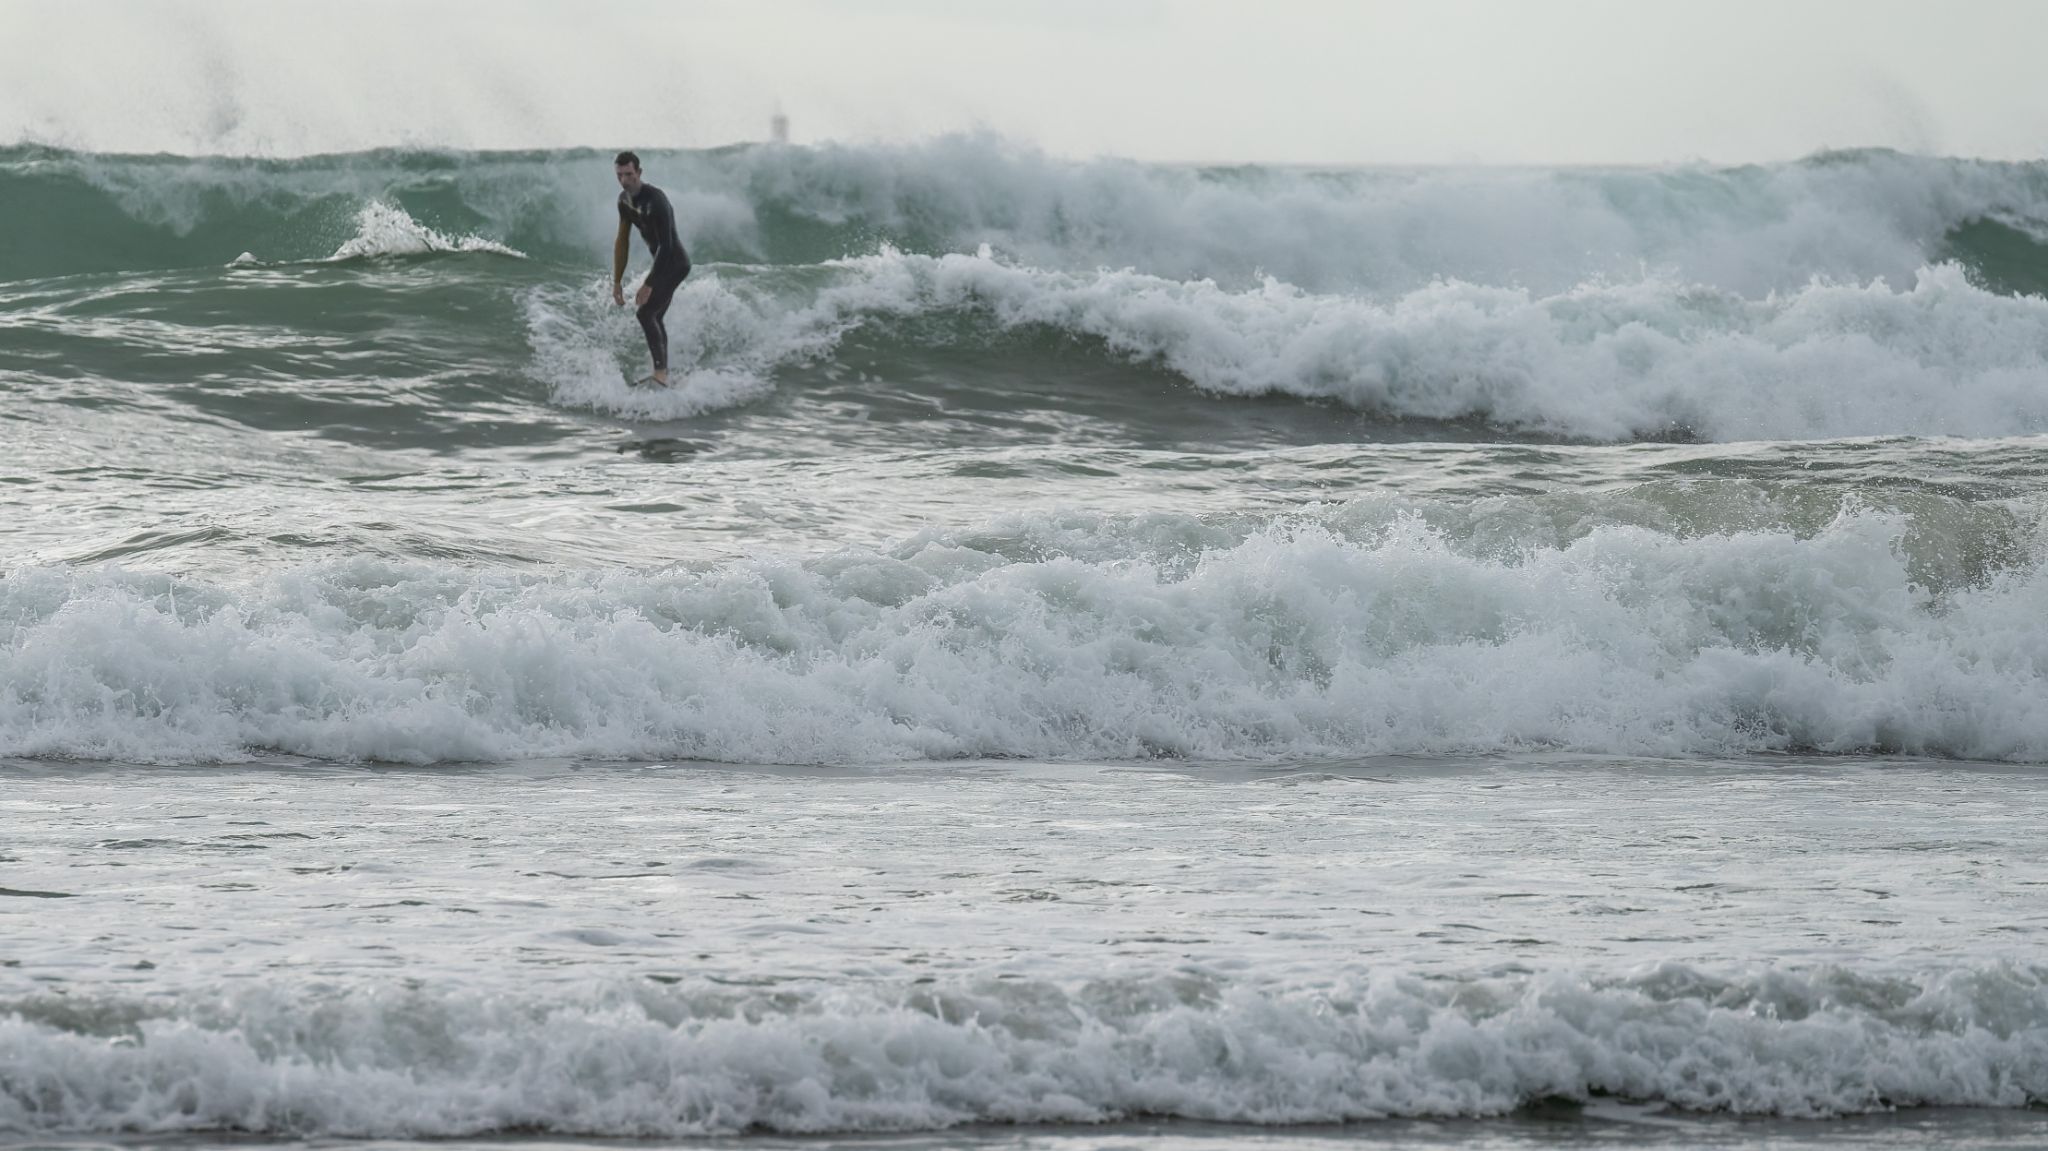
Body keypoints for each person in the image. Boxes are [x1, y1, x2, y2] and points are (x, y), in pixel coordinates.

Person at [610, 151, 691, 384]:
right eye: (620, 175)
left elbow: (666, 245)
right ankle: (665, 376)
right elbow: (622, 241)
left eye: (629, 175)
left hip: (675, 263)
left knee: (645, 313)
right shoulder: (623, 201)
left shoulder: (657, 200)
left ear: (639, 173)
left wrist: (649, 283)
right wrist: (617, 280)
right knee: (655, 316)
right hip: (662, 264)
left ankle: (660, 375)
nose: (625, 180)